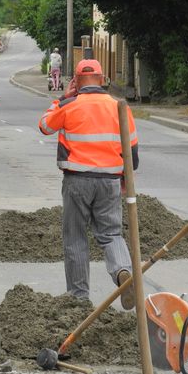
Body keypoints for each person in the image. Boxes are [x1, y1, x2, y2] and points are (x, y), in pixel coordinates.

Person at [38, 59, 139, 310]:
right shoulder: (119, 106)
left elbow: (44, 126)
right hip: (109, 181)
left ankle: (79, 297)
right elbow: (132, 153)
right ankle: (122, 271)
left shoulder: (69, 104)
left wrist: (62, 97)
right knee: (110, 234)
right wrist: (125, 179)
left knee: (75, 238)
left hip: (77, 180)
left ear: (76, 81)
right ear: (102, 79)